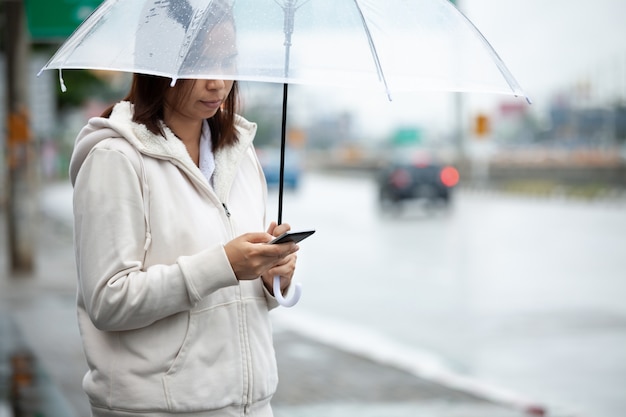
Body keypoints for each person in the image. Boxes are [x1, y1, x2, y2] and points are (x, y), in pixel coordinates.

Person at [68, 72, 299, 416]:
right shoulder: (115, 158)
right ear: (158, 68)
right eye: (200, 67)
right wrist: (224, 265)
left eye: (226, 64)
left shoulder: (241, 154)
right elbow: (107, 301)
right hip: (160, 407)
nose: (218, 84)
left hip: (252, 406)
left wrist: (274, 275)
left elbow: (243, 293)